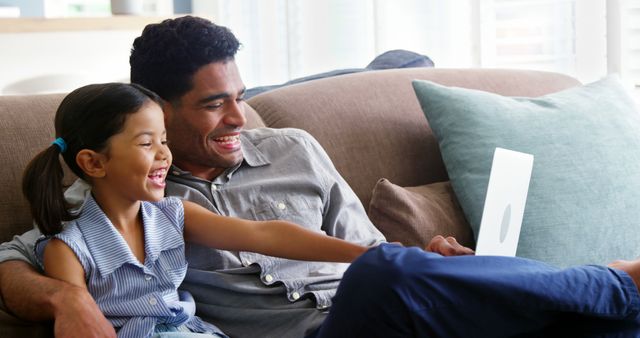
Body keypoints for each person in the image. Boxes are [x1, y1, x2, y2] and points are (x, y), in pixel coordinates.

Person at [0, 15, 639, 338]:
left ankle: (612, 300)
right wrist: (66, 298)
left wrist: (422, 259)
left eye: (241, 96)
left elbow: (357, 248)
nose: (239, 117)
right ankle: (614, 280)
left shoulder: (293, 149)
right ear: (154, 107)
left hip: (392, 311)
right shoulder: (128, 196)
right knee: (386, 274)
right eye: (213, 103)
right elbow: (15, 257)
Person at [23, 82, 374, 338]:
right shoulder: (67, 248)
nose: (164, 155)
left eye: (164, 140)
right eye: (147, 143)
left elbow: (264, 234)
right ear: (93, 163)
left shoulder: (173, 215)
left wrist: (366, 255)